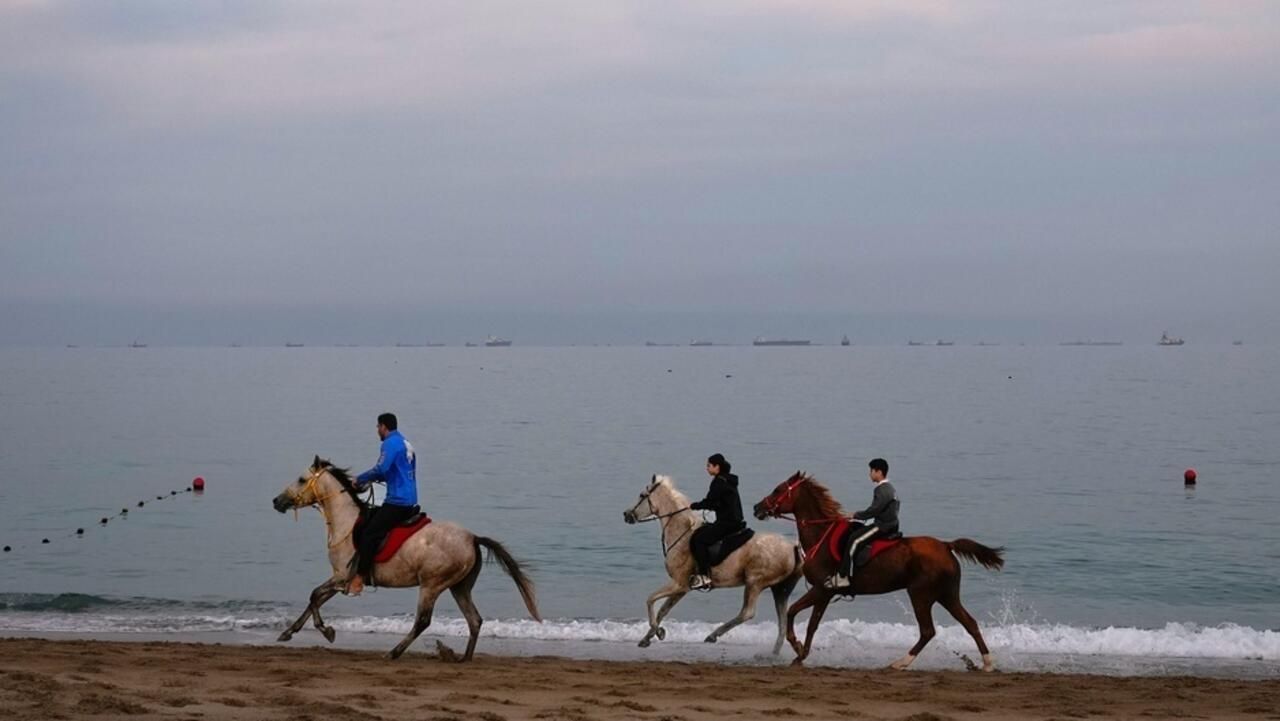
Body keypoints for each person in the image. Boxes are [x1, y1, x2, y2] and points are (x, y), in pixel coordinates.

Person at [345, 412, 419, 596]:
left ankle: (360, 578)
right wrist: (373, 479)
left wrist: (360, 479)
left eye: (378, 426)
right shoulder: (405, 443)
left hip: (397, 501)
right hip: (410, 499)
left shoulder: (389, 443)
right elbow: (395, 472)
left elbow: (381, 468)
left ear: (384, 426)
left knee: (369, 533)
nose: (377, 430)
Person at [826, 457, 900, 590]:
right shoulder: (890, 488)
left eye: (871, 471)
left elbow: (874, 510)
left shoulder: (882, 489)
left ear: (879, 472)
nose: (869, 474)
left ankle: (843, 576)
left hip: (882, 526)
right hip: (890, 524)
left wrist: (854, 515)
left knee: (854, 540)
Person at [687, 453, 746, 590]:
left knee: (699, 539)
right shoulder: (729, 480)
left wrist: (693, 506)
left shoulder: (718, 482)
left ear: (717, 467)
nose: (706, 468)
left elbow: (710, 502)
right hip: (736, 521)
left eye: (709, 466)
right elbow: (719, 503)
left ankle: (704, 576)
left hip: (727, 523)